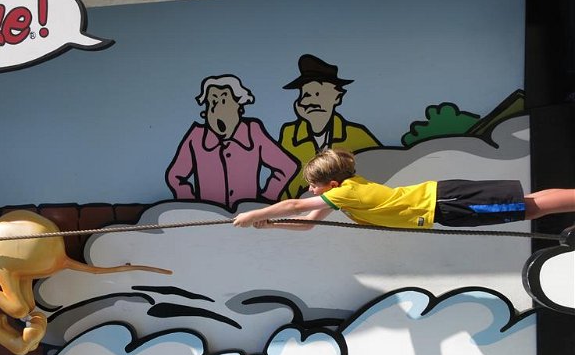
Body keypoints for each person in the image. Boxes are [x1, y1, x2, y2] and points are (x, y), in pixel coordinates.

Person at [233, 150, 575, 231]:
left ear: (332, 184)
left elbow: (295, 205)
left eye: (314, 185)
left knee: (529, 208)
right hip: (443, 201)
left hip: (444, 203)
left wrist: (254, 213)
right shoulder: (344, 195)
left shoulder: (345, 194)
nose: (310, 190)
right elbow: (307, 223)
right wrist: (271, 225)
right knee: (529, 204)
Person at [166, 74, 299, 209]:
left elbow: (286, 166)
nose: (217, 108)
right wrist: (194, 206)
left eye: (224, 100)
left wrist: (265, 200)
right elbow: (175, 176)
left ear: (238, 104)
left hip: (248, 214)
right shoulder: (196, 137)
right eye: (213, 101)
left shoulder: (253, 132)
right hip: (211, 216)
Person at [278, 54, 380, 199]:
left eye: (318, 94)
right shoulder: (290, 134)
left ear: (337, 97)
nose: (311, 102)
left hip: (346, 203)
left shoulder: (355, 133)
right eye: (306, 95)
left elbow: (375, 168)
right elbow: (285, 176)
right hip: (306, 203)